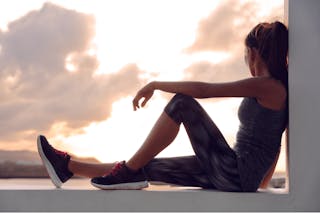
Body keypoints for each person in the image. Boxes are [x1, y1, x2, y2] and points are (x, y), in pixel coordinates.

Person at [37, 21, 288, 192]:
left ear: (255, 53)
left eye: (246, 55)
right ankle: (68, 168)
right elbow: (273, 145)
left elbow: (206, 91)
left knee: (182, 104)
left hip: (234, 172)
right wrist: (260, 184)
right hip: (232, 173)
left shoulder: (268, 86)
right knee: (144, 166)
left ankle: (125, 172)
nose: (246, 61)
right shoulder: (273, 89)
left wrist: (156, 84)